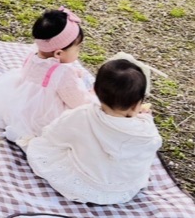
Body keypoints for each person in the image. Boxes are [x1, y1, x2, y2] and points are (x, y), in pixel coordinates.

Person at [20, 56, 162, 205]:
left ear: (95, 91)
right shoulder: (146, 131)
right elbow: (151, 145)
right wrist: (146, 119)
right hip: (123, 190)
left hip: (84, 184)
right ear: (136, 106)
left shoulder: (82, 115)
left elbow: (54, 133)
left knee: (48, 148)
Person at [0, 7, 94, 142]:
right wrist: (91, 97)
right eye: (78, 49)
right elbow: (77, 101)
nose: (79, 52)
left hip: (22, 106)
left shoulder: (34, 55)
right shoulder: (64, 73)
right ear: (58, 53)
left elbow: (47, 75)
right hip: (45, 116)